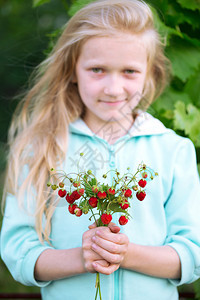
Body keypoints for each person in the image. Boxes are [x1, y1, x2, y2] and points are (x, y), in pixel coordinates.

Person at [1, 0, 200, 299]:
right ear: (72, 71)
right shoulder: (40, 148)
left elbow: (192, 254)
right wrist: (81, 258)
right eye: (97, 69)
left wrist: (126, 254)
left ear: (149, 74)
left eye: (130, 72)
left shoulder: (173, 150)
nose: (113, 88)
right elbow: (18, 251)